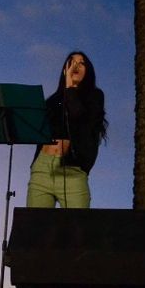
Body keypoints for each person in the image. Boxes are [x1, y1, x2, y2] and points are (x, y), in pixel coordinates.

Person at [26, 51, 107, 209]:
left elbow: (79, 116)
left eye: (81, 63)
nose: (76, 66)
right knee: (36, 227)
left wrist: (70, 87)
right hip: (42, 168)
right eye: (71, 62)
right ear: (65, 70)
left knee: (77, 228)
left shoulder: (95, 96)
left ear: (87, 71)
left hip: (72, 170)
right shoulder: (52, 101)